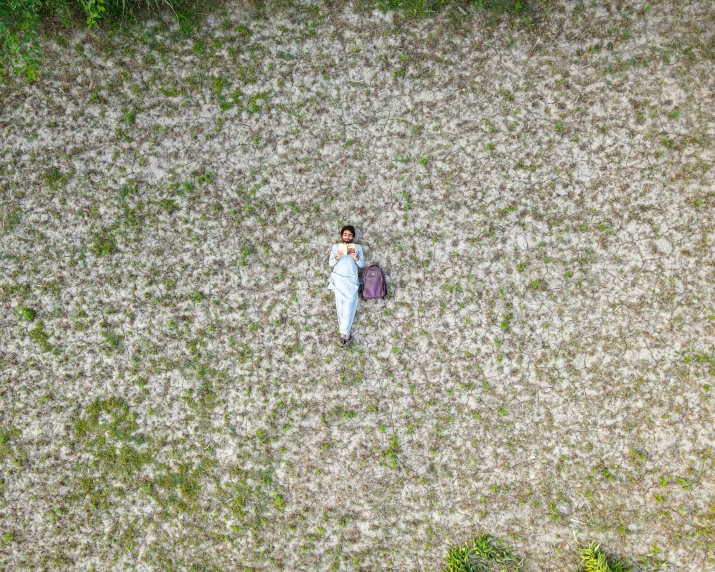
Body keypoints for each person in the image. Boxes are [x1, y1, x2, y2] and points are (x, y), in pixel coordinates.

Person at [328, 225, 364, 347]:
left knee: (348, 307)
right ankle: (344, 335)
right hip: (338, 279)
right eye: (345, 234)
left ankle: (344, 335)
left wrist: (355, 257)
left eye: (349, 235)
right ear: (341, 236)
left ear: (353, 236)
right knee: (340, 308)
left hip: (351, 281)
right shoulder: (335, 247)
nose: (347, 237)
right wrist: (337, 256)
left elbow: (361, 264)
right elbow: (331, 263)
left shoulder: (358, 247)